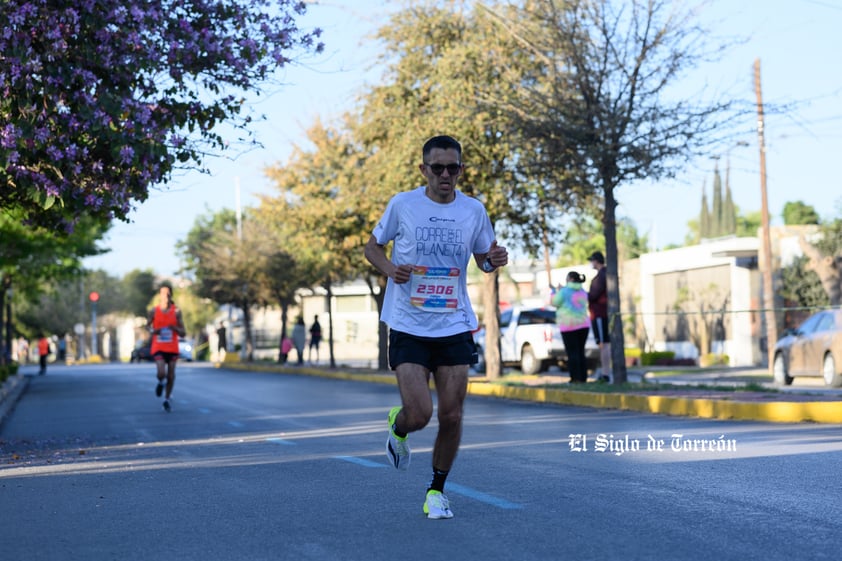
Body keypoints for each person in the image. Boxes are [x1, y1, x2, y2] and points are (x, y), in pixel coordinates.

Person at [364, 134, 508, 520]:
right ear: (423, 169)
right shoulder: (403, 204)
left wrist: (495, 259)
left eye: (454, 168)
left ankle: (436, 490)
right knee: (420, 413)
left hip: (454, 322)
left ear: (461, 169)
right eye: (438, 167)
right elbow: (372, 247)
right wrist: (390, 268)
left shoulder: (474, 210)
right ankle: (399, 426)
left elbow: (484, 260)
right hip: (409, 323)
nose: (446, 175)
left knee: (453, 415)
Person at [146, 284, 186, 412]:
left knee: (171, 375)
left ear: (171, 295)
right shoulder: (154, 311)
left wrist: (175, 328)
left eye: (168, 293)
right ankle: (160, 382)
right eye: (163, 293)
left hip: (172, 347)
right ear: (160, 295)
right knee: (161, 373)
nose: (166, 296)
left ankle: (166, 399)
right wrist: (153, 331)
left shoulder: (176, 311)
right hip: (158, 346)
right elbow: (147, 326)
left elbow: (183, 332)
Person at [552, 271, 591, 383]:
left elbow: (554, 302)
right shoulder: (583, 291)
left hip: (569, 325)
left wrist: (554, 291)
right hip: (584, 325)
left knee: (572, 353)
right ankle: (583, 377)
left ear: (569, 279)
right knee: (580, 352)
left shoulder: (564, 292)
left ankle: (575, 378)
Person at [588, 251, 611, 383]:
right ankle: (604, 372)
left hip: (600, 314)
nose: (591, 263)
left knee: (603, 344)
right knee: (604, 344)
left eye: (592, 260)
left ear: (596, 261)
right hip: (601, 313)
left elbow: (593, 295)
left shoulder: (601, 276)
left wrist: (583, 295)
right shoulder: (605, 274)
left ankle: (605, 373)